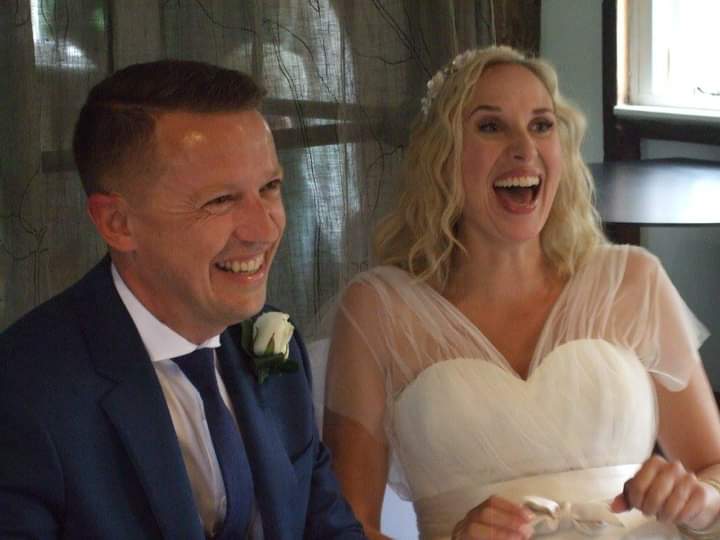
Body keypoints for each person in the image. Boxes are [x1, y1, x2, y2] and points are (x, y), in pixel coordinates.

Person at [323, 45, 720, 539]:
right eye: (491, 126)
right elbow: (345, 529)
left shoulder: (633, 281)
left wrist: (698, 500)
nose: (524, 148)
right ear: (442, 155)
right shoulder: (378, 310)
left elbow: (713, 468)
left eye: (541, 125)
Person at [0, 60, 365, 539]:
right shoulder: (23, 392)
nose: (263, 229)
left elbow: (329, 528)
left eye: (269, 187)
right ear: (117, 223)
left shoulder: (274, 341)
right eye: (220, 201)